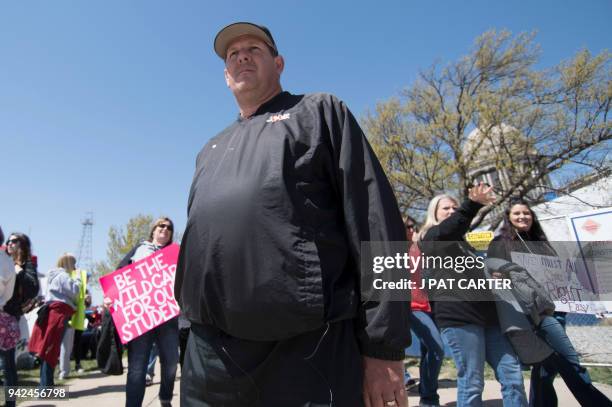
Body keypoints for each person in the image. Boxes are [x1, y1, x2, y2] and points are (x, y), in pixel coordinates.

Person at [175, 22, 411, 407]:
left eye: (254, 48)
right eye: (232, 54)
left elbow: (376, 223)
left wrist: (384, 349)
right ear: (225, 75)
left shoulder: (319, 111)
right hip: (211, 355)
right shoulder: (210, 148)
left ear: (279, 63)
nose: (242, 56)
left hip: (305, 349)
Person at [487, 198, 612, 407]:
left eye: (526, 213)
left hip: (555, 309)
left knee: (546, 366)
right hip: (530, 314)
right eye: (517, 213)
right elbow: (494, 272)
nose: (522, 217)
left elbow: (559, 276)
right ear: (508, 218)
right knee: (570, 362)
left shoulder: (541, 243)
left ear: (532, 217)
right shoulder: (500, 244)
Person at [419, 186, 527, 406]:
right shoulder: (432, 237)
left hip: (490, 318)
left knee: (513, 376)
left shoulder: (468, 244)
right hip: (459, 318)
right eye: (445, 208)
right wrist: (471, 204)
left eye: (454, 207)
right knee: (472, 381)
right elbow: (450, 228)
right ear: (434, 213)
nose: (451, 211)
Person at [106, 217, 179, 407]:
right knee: (137, 367)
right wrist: (110, 296)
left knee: (171, 363)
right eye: (161, 226)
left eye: (169, 228)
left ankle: (165, 398)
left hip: (167, 317)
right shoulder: (140, 249)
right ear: (153, 230)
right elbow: (120, 275)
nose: (165, 229)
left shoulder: (175, 254)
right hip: (140, 318)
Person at [404, 216, 444, 407]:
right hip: (412, 307)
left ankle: (427, 397)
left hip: (431, 306)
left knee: (429, 350)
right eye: (406, 227)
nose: (410, 230)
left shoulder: (420, 248)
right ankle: (429, 398)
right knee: (437, 348)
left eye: (413, 226)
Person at [29, 253, 81, 387]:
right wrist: (79, 280)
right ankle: (45, 387)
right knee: (51, 350)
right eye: (73, 264)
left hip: (52, 313)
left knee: (48, 349)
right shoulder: (63, 276)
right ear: (68, 263)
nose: (74, 267)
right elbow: (74, 291)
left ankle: (46, 385)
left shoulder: (53, 276)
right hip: (58, 314)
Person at [0, 227, 17, 407]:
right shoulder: (7, 261)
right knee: (8, 364)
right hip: (5, 315)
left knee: (7, 364)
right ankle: (11, 402)